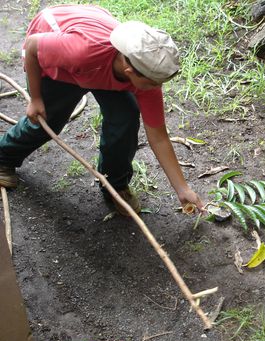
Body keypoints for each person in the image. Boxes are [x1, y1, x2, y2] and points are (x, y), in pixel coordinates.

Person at [0, 4, 204, 215]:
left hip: (98, 61)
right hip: (57, 55)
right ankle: (3, 157)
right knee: (46, 121)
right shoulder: (81, 52)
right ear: (130, 71)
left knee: (125, 117)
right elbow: (33, 46)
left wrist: (183, 189)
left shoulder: (146, 75)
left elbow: (159, 137)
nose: (157, 88)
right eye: (153, 83)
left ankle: (114, 184)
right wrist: (35, 98)